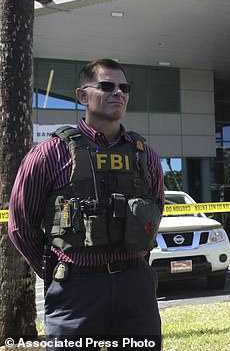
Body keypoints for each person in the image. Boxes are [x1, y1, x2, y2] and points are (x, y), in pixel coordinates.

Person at [9, 59, 164, 350]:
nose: (118, 93)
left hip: (136, 286)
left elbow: (155, 210)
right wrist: (57, 272)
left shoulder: (147, 156)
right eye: (107, 86)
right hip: (76, 290)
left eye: (124, 87)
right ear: (82, 96)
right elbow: (20, 227)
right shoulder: (48, 154)